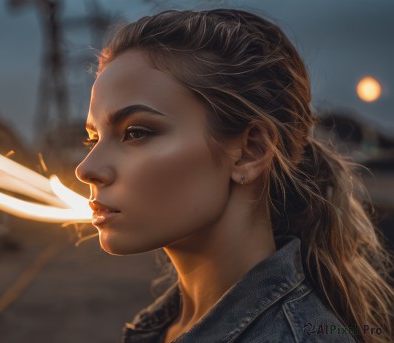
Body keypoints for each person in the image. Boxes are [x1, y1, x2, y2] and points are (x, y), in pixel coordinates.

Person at [75, 9, 393, 343]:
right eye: (94, 138)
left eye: (136, 132)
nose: (86, 169)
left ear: (250, 151)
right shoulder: (164, 328)